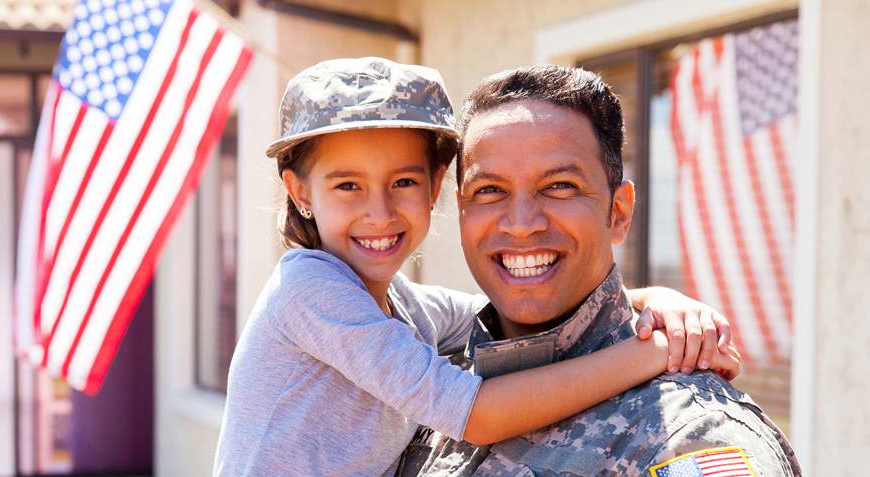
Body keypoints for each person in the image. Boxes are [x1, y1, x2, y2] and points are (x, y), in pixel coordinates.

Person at [213, 57, 740, 477]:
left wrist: (659, 301)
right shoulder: (307, 288)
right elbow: (476, 414)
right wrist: (654, 351)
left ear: (436, 186)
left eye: (403, 182)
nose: (379, 212)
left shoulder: (406, 308)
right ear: (300, 191)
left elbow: (508, 309)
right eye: (347, 185)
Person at [396, 64, 800, 476]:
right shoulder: (423, 389)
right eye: (489, 190)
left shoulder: (687, 434)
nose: (521, 222)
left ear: (619, 213)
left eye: (559, 186)